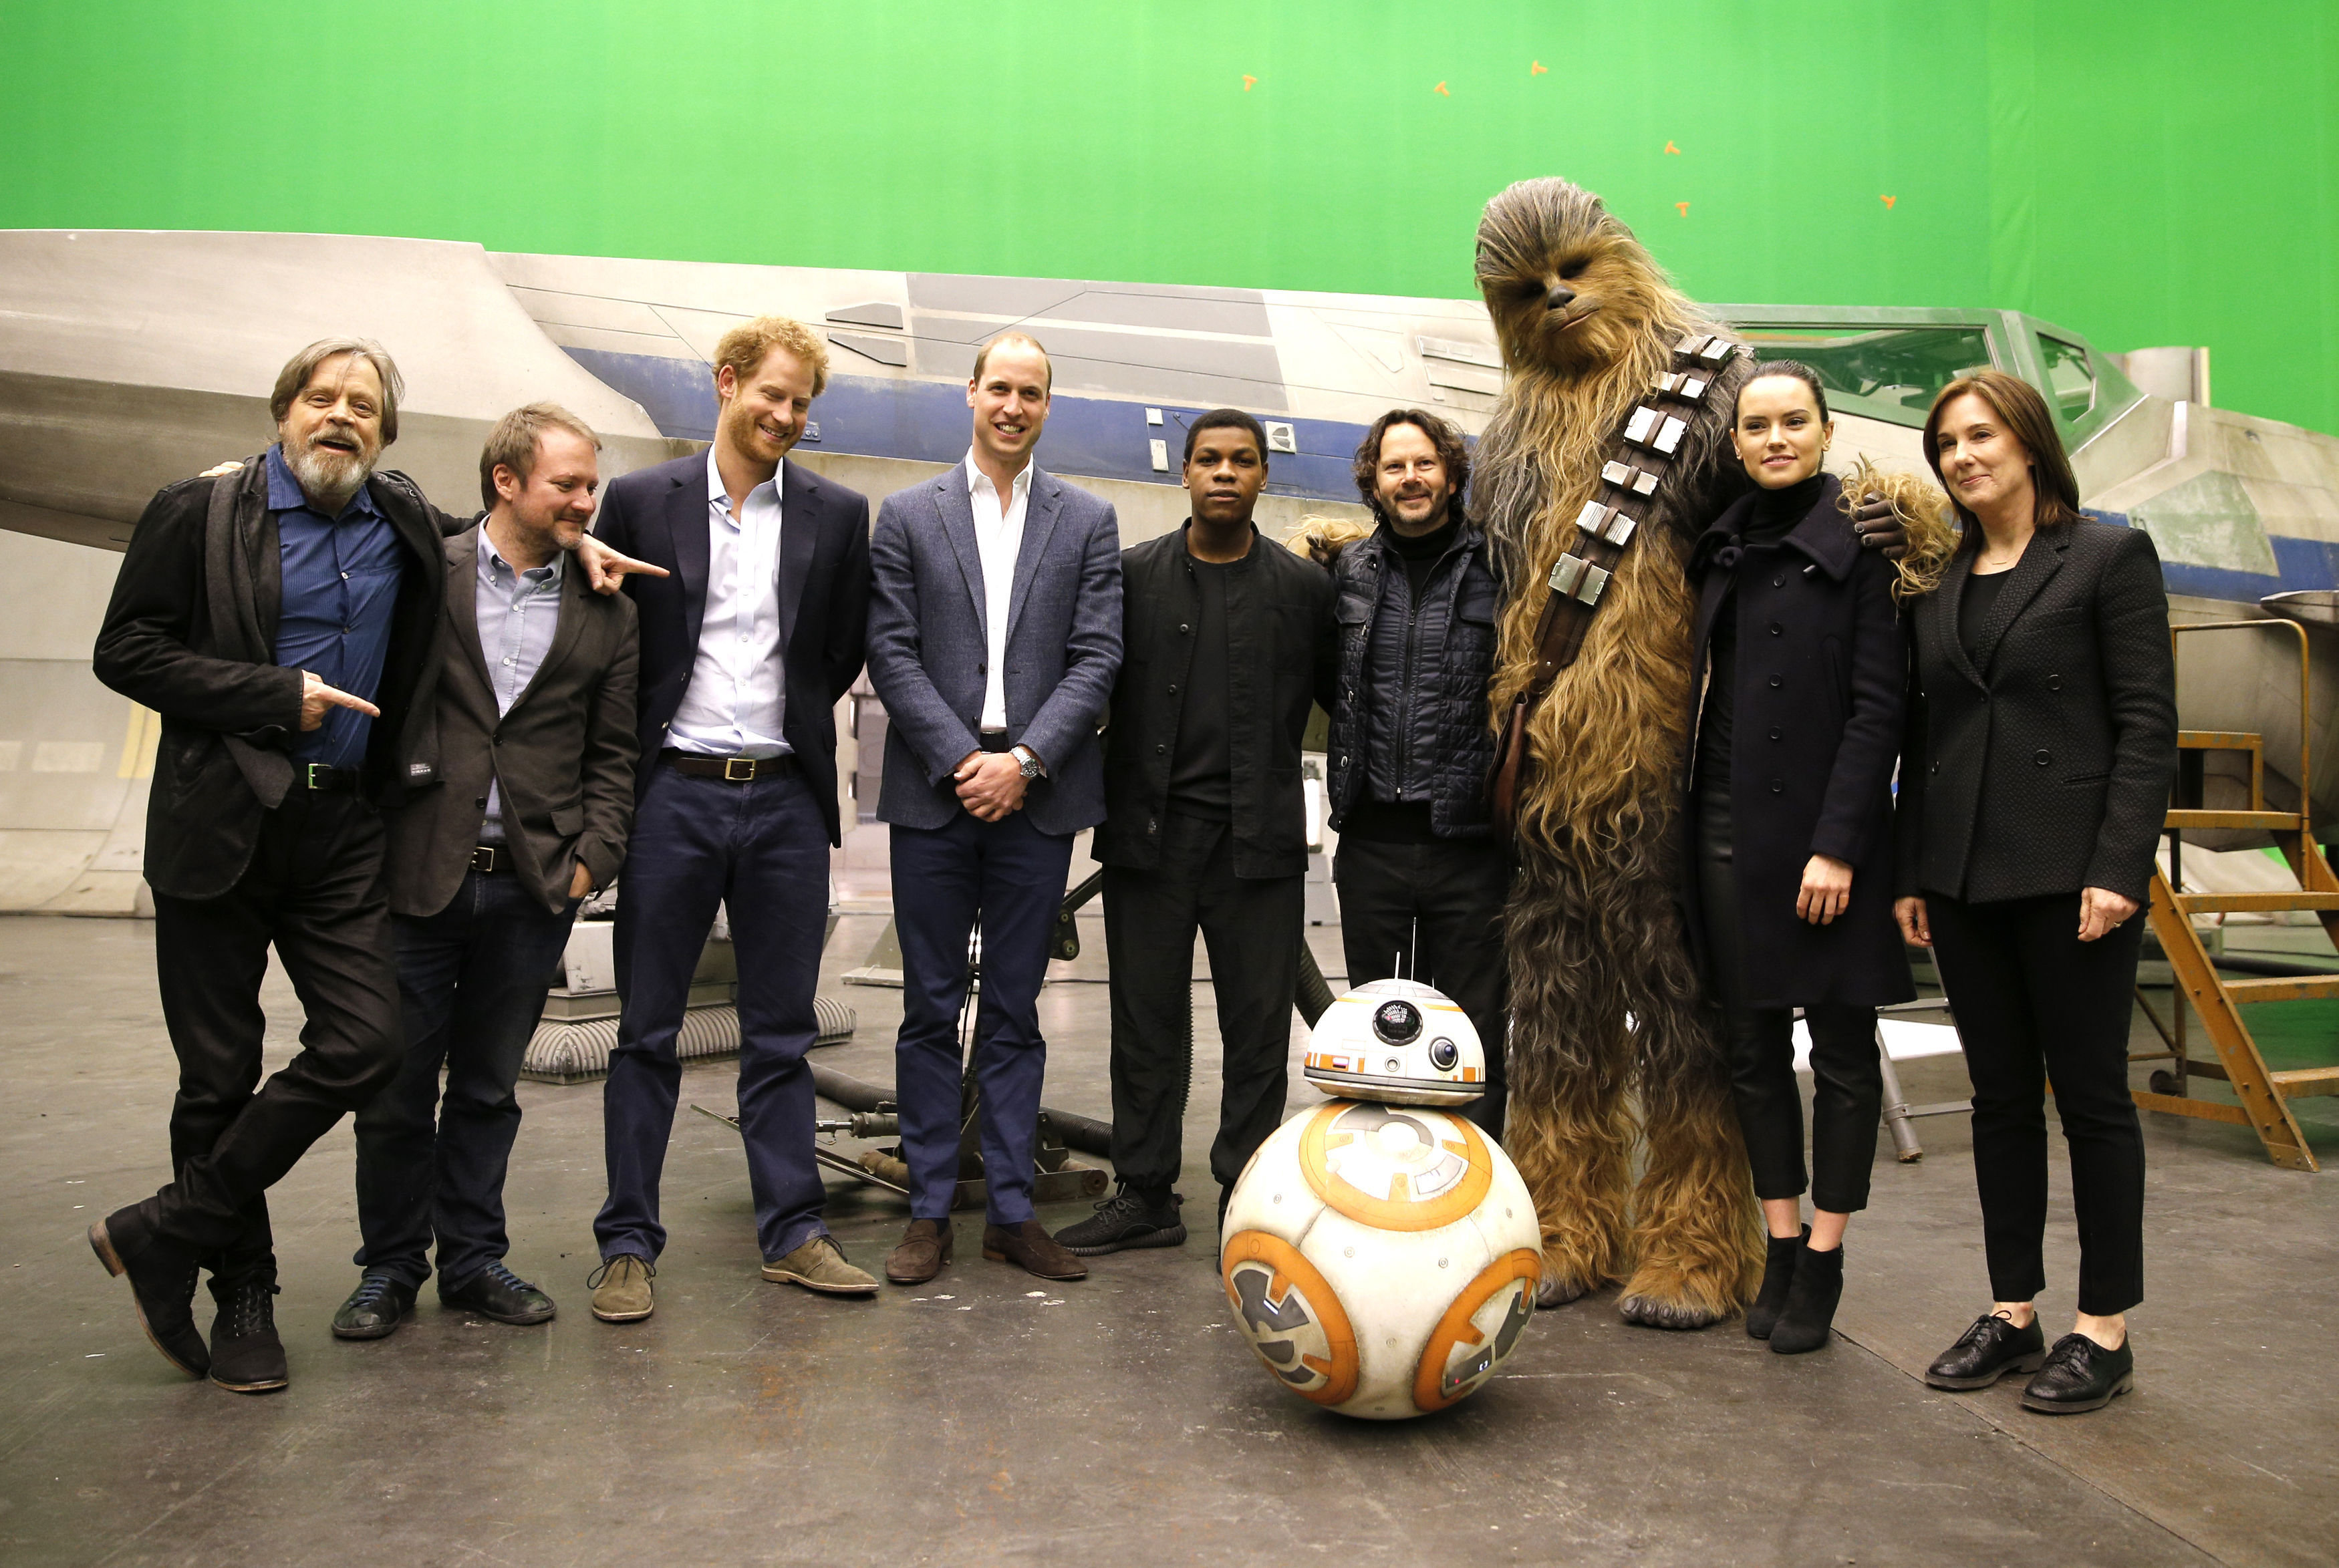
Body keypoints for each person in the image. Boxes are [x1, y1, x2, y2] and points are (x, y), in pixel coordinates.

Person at [87, 339, 456, 1393]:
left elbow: (493, 548)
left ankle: (167, 1227)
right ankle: (240, 1289)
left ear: (385, 431)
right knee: (219, 1073)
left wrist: (579, 546)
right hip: (217, 825)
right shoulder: (198, 510)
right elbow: (127, 649)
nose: (341, 415)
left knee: (367, 1041)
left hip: (341, 833)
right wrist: (267, 694)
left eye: (364, 405)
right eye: (322, 398)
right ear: (284, 410)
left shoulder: (403, 519)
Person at [1894, 369, 2176, 1414]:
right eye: (1947, 444)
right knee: (2000, 1100)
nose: (1963, 457)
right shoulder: (1940, 578)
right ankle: (2015, 1311)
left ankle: (2105, 1328)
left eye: (1980, 436)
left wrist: (2118, 867)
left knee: (2094, 1101)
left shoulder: (2107, 554)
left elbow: (2149, 726)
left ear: (2027, 441)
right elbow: (1926, 738)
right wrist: (1915, 869)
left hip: (2071, 874)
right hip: (1965, 874)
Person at [586, 317, 875, 1321]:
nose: (788, 416)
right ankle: (627, 1244)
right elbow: (610, 642)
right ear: (728, 383)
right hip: (674, 793)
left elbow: (837, 650)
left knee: (781, 1033)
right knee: (646, 1030)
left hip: (787, 800)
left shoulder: (839, 516)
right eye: (775, 395)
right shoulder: (637, 500)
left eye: (802, 404)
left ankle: (794, 1233)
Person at [334, 404, 640, 1340]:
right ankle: (390, 1266)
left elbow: (615, 754)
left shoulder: (610, 607)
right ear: (505, 481)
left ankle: (471, 1258)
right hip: (417, 872)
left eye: (592, 483)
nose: (588, 500)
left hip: (533, 884)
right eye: (568, 484)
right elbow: (379, 494)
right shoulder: (429, 571)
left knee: (485, 1088)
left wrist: (594, 857)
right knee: (394, 1088)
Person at [865, 332, 1122, 1287]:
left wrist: (1025, 760)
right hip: (935, 799)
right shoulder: (907, 515)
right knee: (929, 1011)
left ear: (1048, 406)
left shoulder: (1088, 519)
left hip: (1038, 800)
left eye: (1033, 392)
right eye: (1000, 388)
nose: (1014, 405)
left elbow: (1098, 656)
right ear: (969, 393)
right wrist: (964, 758)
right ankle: (929, 1209)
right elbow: (890, 651)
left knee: (1014, 1013)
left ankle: (1012, 1213)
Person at [1053, 409, 1335, 1257]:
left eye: (1241, 461)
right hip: (1150, 839)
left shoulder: (1302, 590)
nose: (1223, 473)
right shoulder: (1131, 576)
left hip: (1259, 844)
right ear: (1183, 473)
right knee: (1145, 1022)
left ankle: (1243, 1201)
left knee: (1256, 1032)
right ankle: (1143, 1194)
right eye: (1208, 459)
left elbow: (1339, 705)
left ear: (1261, 477)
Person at [1683, 362, 1911, 1354]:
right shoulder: (1720, 547)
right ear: (1737, 443)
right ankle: (1778, 1241)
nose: (1775, 439)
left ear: (1825, 431)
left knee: (1845, 1054)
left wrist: (1838, 847)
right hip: (1723, 827)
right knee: (1751, 1046)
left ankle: (1826, 1250)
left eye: (1793, 422)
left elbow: (1880, 710)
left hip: (1826, 845)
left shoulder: (1862, 550)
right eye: (1757, 426)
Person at [1316, 409, 1508, 1138]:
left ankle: (1474, 1192)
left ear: (1452, 474)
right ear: (1373, 481)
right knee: (1376, 1027)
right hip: (1371, 843)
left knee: (1474, 1035)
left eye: (1424, 463)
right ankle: (1377, 1182)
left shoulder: (1500, 566)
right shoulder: (1348, 574)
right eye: (1394, 466)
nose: (1410, 478)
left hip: (1468, 843)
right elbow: (1326, 682)